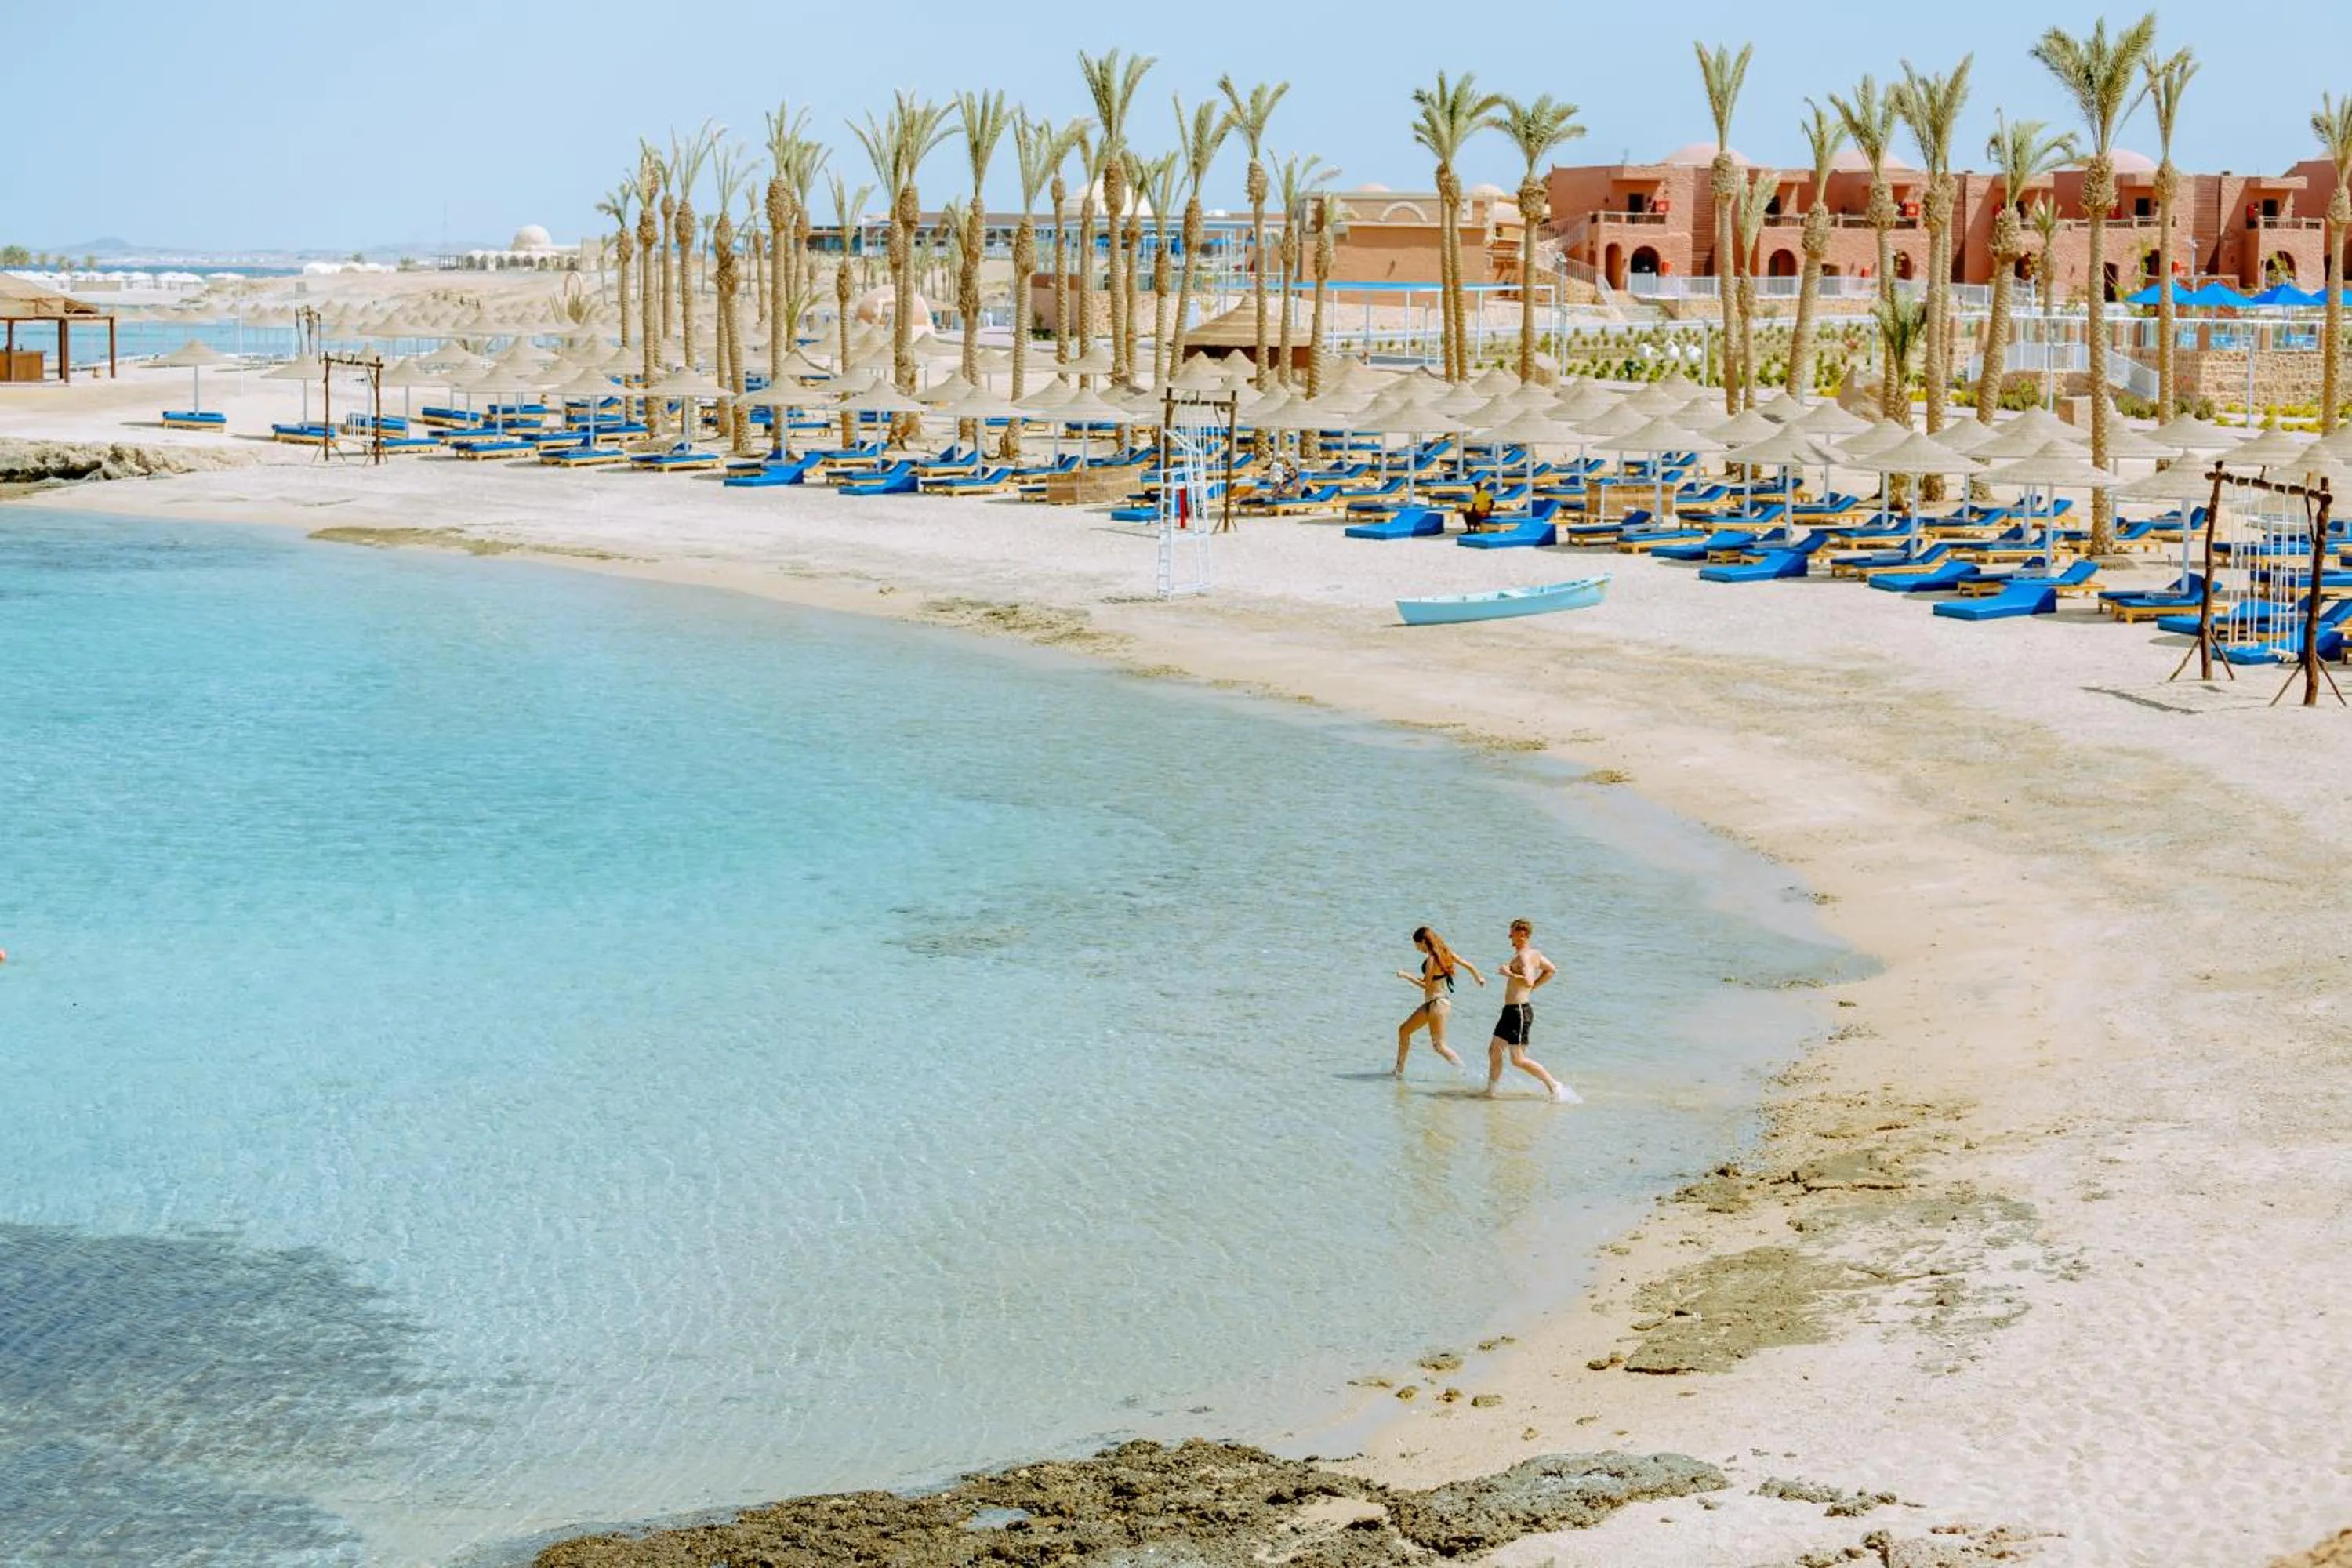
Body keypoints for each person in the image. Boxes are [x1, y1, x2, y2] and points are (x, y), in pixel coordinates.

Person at [1486, 919, 1575, 1102]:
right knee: (1494, 1050)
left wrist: (1509, 974)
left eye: (1512, 933)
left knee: (1517, 1060)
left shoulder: (1524, 957)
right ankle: (1491, 1092)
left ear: (1523, 934)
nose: (1509, 936)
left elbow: (1527, 980)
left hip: (1518, 1012)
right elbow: (1551, 970)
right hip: (1511, 1011)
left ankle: (1553, 1085)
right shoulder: (1534, 954)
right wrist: (1532, 988)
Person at [1394, 926, 1483, 1076]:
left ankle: (1464, 1071)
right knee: (1404, 1031)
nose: (1417, 949)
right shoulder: (1445, 953)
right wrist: (1478, 977)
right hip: (1432, 1004)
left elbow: (1426, 985)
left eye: (1417, 945)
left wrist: (1406, 975)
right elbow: (1466, 964)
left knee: (1439, 1046)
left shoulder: (1431, 960)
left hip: (1438, 1004)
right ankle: (1399, 1071)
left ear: (1423, 941)